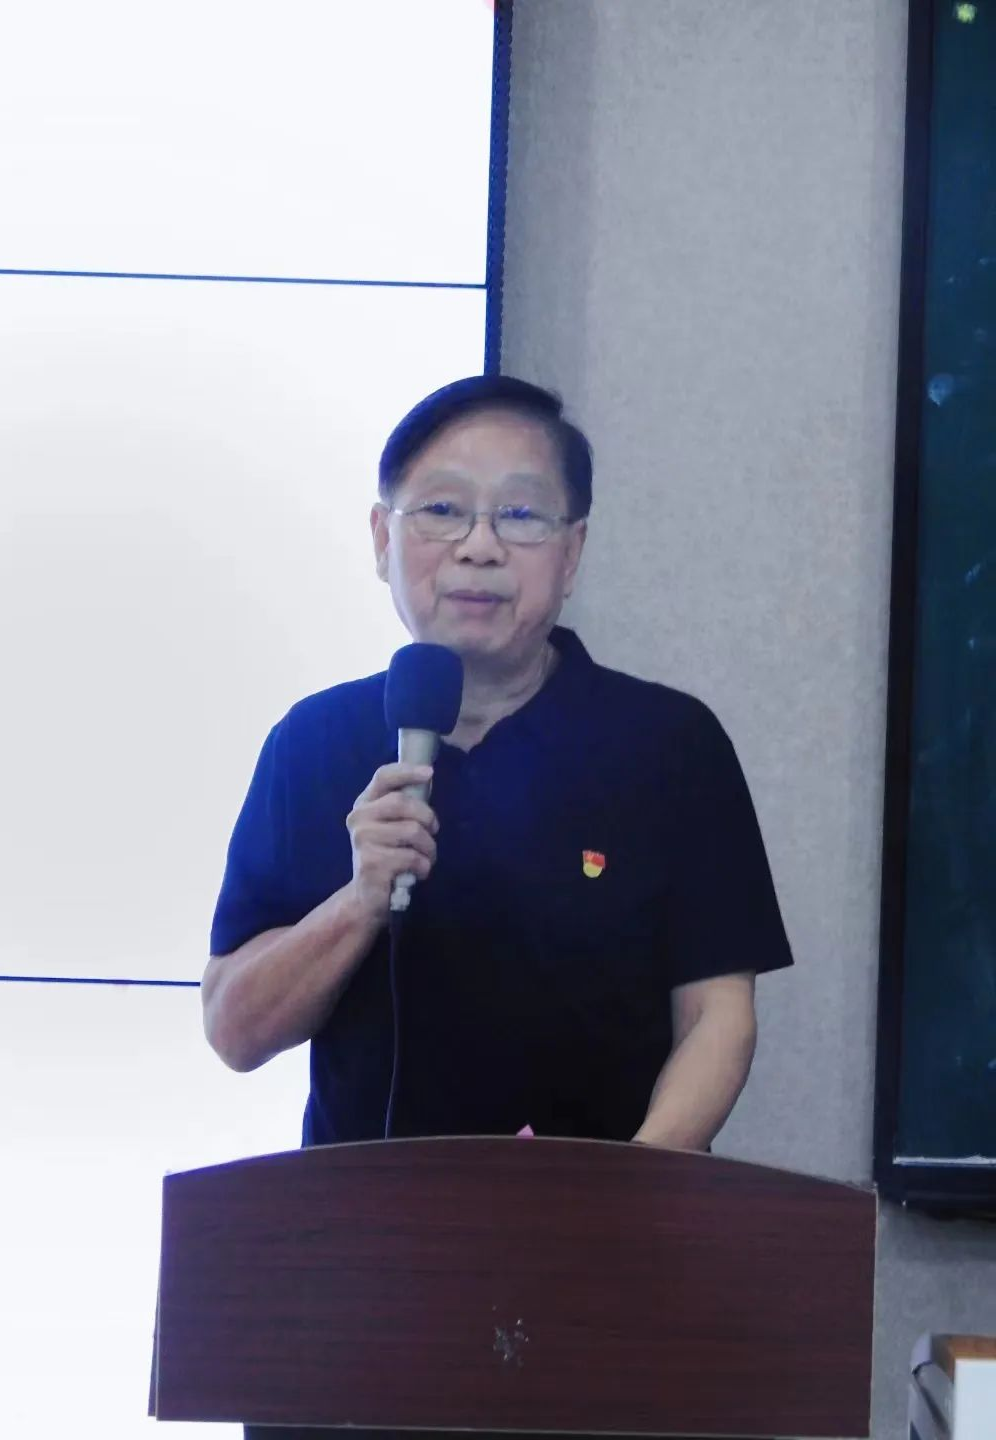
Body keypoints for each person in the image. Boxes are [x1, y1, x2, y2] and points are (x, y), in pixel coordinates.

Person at [202, 374, 792, 1151]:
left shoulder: (669, 745)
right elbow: (235, 1032)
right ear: (382, 539)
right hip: (361, 1220)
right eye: (443, 510)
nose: (479, 547)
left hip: (606, 1213)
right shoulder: (314, 741)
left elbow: (718, 1015)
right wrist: (361, 900)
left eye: (520, 515)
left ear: (572, 552)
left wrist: (633, 1189)